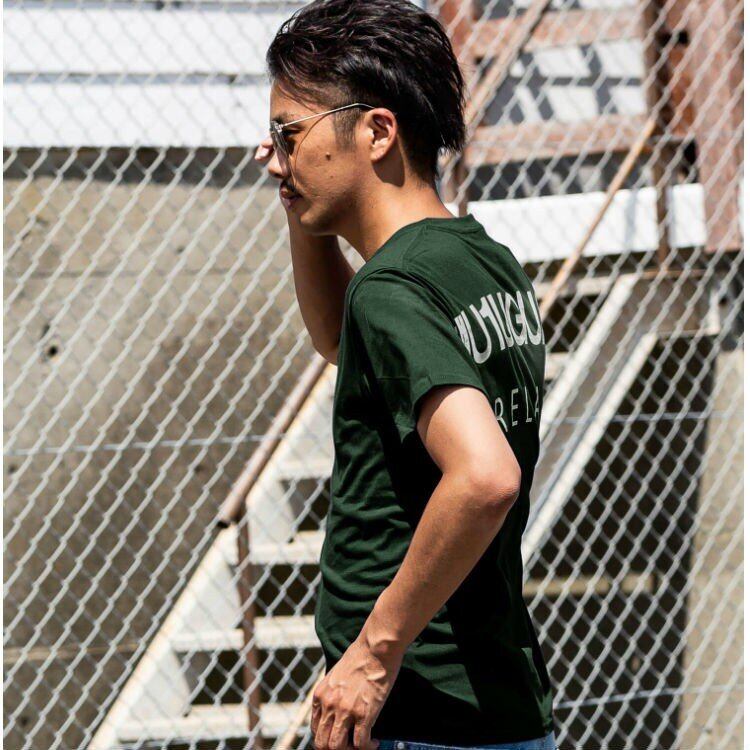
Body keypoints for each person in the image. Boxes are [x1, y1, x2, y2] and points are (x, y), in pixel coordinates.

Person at [254, 2, 557, 749]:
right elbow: (340, 338)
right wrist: (298, 202)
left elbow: (484, 477)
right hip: (496, 702)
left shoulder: (393, 289)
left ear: (378, 131)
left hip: (423, 712)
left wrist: (372, 653)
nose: (276, 159)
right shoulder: (480, 260)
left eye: (290, 135)